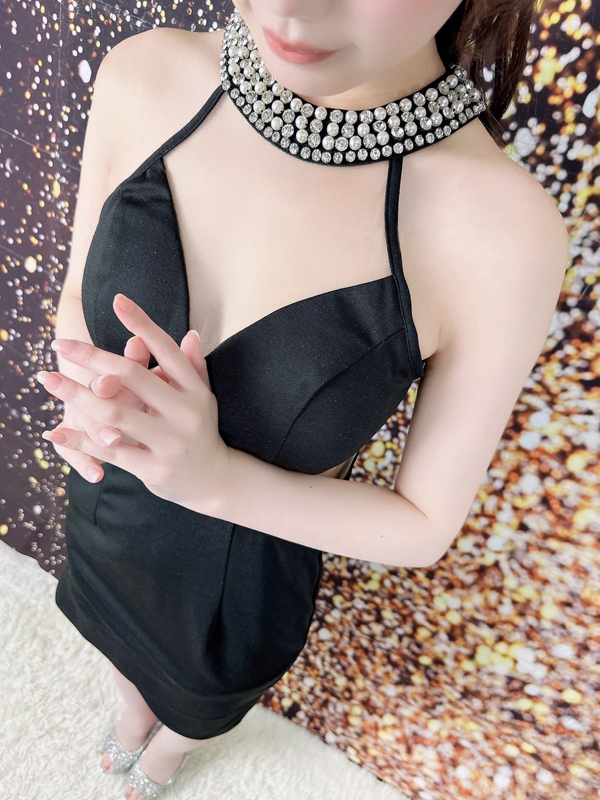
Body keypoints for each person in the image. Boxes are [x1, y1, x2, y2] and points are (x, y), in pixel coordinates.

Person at [38, 1, 569, 797]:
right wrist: (85, 395)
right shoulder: (145, 76)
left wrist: (215, 479)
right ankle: (130, 710)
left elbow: (423, 526)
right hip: (106, 516)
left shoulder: (500, 234)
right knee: (112, 643)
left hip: (232, 591)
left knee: (199, 703)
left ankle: (169, 750)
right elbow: (77, 309)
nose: (291, 9)